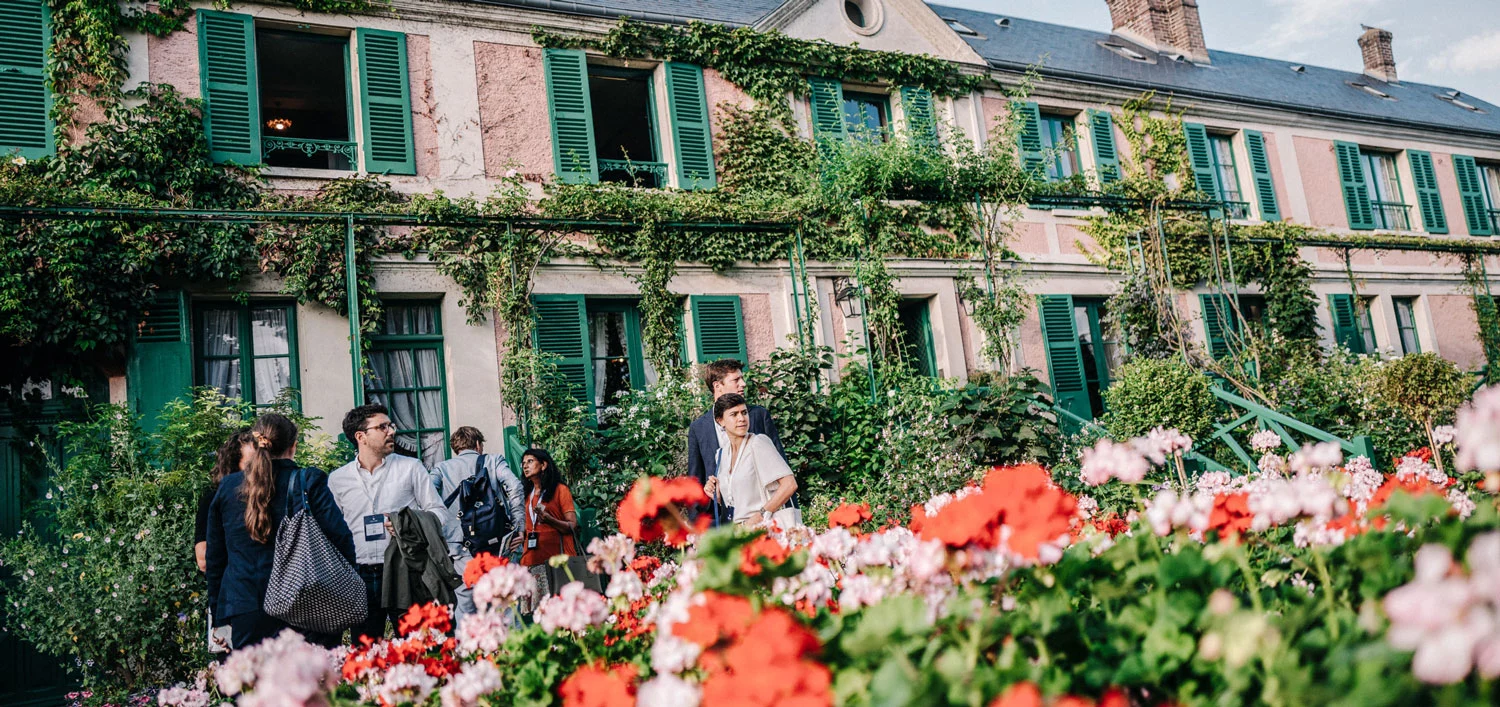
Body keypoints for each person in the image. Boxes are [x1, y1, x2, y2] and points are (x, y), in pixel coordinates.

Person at [205, 413, 355, 650]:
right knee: (307, 683)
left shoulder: (228, 486)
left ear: (255, 444)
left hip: (245, 605)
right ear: (293, 446)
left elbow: (215, 560)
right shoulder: (309, 481)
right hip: (305, 600)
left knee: (253, 684)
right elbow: (341, 539)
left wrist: (220, 617)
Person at [328, 404, 450, 643]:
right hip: (359, 574)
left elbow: (440, 513)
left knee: (415, 646)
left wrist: (411, 524)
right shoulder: (337, 479)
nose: (391, 431)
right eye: (382, 427)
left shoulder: (410, 468)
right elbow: (333, 531)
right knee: (365, 652)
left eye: (391, 425)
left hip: (403, 569)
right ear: (360, 436)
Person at [429, 426, 524, 622]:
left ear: (456, 448)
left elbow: (426, 498)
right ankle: (508, 650)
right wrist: (518, 528)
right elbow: (515, 487)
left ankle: (470, 650)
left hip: (460, 547)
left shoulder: (442, 468)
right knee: (505, 604)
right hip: (497, 543)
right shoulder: (493, 461)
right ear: (479, 445)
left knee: (466, 607)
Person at [687, 359, 786, 523]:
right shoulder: (699, 428)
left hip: (763, 518)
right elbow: (695, 479)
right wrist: (697, 527)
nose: (743, 384)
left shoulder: (758, 416)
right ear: (717, 386)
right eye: (736, 380)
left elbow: (782, 470)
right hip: (719, 520)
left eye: (742, 378)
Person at [703, 393, 798, 527]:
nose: (741, 418)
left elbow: (789, 484)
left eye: (744, 412)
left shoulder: (758, 443)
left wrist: (760, 515)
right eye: (734, 414)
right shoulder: (722, 454)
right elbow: (736, 500)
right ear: (720, 421)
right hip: (740, 533)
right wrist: (717, 495)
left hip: (765, 530)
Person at [517, 448, 577, 600]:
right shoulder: (525, 494)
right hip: (531, 560)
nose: (525, 466)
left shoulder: (560, 490)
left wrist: (550, 520)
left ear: (543, 465)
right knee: (539, 615)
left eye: (530, 461)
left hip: (556, 562)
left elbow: (572, 525)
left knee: (559, 610)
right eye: (523, 463)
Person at [196, 429, 254, 573]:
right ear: (233, 464)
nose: (257, 470)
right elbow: (203, 560)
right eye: (249, 465)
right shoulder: (212, 499)